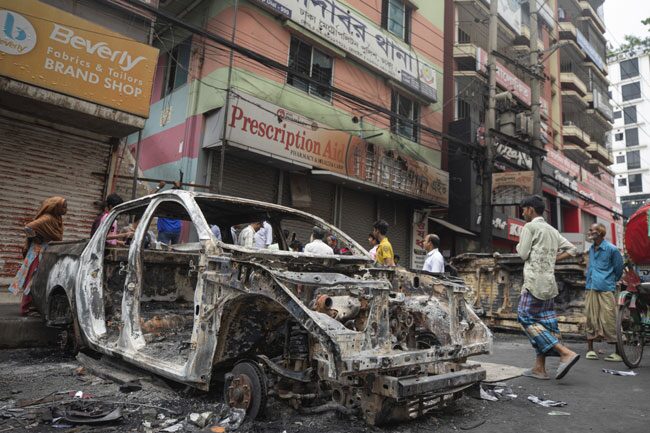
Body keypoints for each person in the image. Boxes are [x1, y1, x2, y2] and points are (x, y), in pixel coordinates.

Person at [516, 195, 580, 380]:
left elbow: (522, 254)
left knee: (525, 318)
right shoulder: (552, 230)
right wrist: (553, 259)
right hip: (549, 283)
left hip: (533, 282)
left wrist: (521, 245)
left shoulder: (530, 227)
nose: (522, 213)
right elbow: (572, 249)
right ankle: (539, 368)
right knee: (543, 324)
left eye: (523, 209)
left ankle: (565, 352)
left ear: (529, 209)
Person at [9, 196, 67, 316]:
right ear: (56, 207)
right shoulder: (47, 218)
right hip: (37, 253)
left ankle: (33, 306)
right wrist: (36, 238)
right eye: (64, 206)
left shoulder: (57, 219)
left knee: (39, 280)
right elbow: (28, 227)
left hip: (45, 252)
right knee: (32, 279)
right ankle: (25, 308)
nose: (66, 209)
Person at [584, 223, 624, 362]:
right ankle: (590, 349)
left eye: (591, 230)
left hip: (606, 287)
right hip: (590, 286)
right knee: (590, 317)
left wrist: (611, 280)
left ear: (600, 232)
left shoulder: (611, 249)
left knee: (610, 319)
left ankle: (618, 352)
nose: (589, 231)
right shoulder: (591, 248)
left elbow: (619, 268)